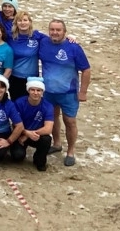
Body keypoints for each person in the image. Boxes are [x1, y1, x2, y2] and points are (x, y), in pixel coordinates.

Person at [38, 19, 91, 166]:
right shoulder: (43, 42)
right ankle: (57, 144)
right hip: (49, 91)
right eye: (52, 29)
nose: (55, 32)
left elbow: (86, 70)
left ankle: (71, 151)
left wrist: (83, 92)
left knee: (70, 121)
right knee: (52, 118)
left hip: (69, 92)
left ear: (64, 32)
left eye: (58, 30)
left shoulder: (74, 48)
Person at [13, 77, 54, 171]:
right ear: (28, 90)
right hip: (20, 133)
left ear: (42, 91)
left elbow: (48, 129)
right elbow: (15, 124)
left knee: (46, 139)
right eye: (33, 90)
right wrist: (25, 133)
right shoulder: (19, 102)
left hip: (36, 135)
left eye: (39, 90)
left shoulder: (48, 106)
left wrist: (28, 135)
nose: (35, 93)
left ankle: (39, 160)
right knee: (17, 157)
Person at [8, 11, 46, 100]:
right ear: (16, 23)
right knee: (16, 104)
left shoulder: (37, 36)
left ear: (30, 22)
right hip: (15, 78)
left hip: (33, 78)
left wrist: (69, 38)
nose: (22, 23)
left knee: (32, 105)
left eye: (25, 20)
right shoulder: (10, 36)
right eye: (19, 20)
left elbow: (54, 40)